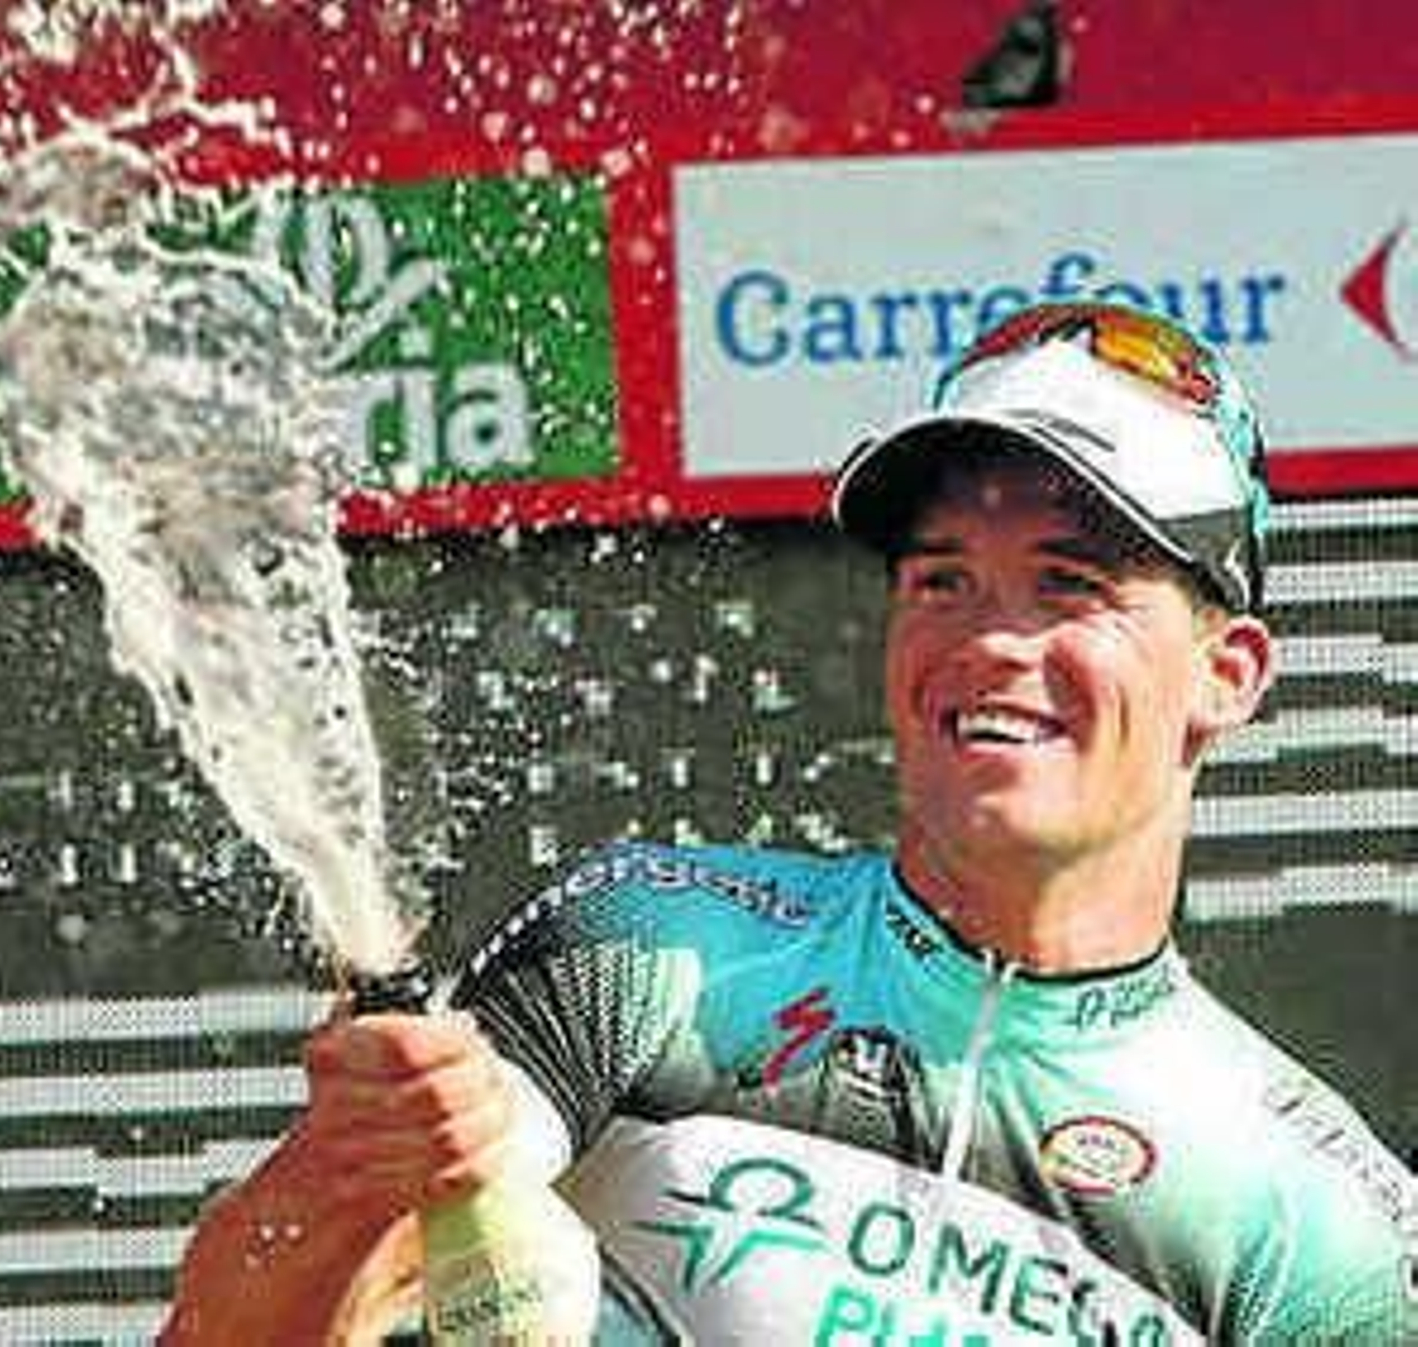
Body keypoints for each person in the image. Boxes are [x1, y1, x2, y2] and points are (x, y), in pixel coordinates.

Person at [161, 300, 1417, 1344]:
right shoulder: (648, 948)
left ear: (1227, 675)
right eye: (942, 579)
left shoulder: (1317, 1219)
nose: (988, 641)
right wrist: (345, 1175)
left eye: (1066, 585)